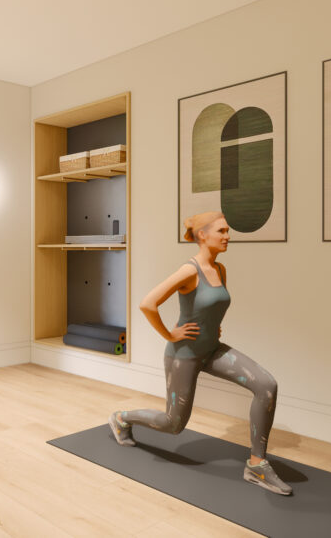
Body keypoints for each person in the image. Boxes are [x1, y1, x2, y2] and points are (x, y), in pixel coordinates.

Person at [108, 211, 293, 496]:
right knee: (173, 424)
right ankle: (121, 417)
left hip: (211, 350)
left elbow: (210, 307)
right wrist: (170, 335)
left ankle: (257, 465)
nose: (228, 236)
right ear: (202, 235)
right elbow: (148, 303)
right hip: (184, 355)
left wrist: (212, 328)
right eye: (222, 231)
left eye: (227, 231)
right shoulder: (189, 271)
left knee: (267, 385)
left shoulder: (220, 270)